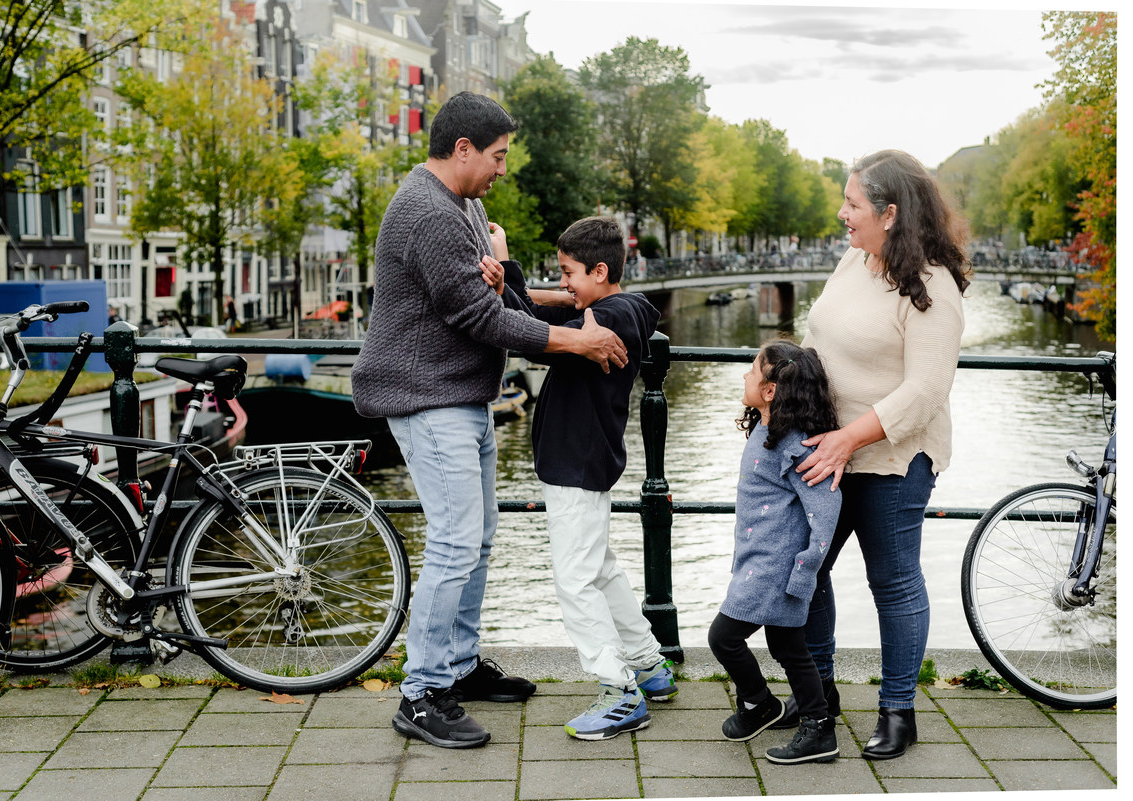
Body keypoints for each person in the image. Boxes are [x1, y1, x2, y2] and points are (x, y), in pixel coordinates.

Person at [350, 92, 629, 750]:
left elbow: (494, 292)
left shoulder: (467, 206)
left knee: (476, 540)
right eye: (498, 155)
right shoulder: (429, 212)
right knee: (452, 542)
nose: (504, 168)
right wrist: (577, 341)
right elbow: (479, 318)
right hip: (428, 396)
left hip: (462, 393)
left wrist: (573, 296)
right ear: (464, 149)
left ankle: (459, 665)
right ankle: (421, 694)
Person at [784, 149, 971, 760]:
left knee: (892, 581)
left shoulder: (933, 288)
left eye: (853, 203)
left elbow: (924, 392)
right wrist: (779, 395)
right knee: (803, 571)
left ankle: (898, 709)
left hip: (894, 455)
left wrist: (851, 437)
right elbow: (818, 338)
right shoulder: (854, 261)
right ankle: (820, 698)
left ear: (889, 214)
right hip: (829, 448)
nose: (842, 213)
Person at [481, 216, 677, 741]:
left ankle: (618, 693)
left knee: (574, 578)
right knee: (602, 568)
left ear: (599, 269)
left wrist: (506, 267)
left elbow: (530, 340)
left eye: (569, 273)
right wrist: (520, 284)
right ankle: (648, 664)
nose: (564, 282)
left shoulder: (601, 322)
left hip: (575, 463)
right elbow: (543, 317)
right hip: (587, 460)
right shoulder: (618, 309)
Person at [707, 340, 842, 764]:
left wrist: (805, 571)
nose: (745, 376)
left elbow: (826, 509)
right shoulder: (768, 432)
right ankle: (813, 724)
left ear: (769, 390)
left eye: (752, 371)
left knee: (723, 638)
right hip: (757, 560)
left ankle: (762, 704)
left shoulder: (797, 445)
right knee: (788, 647)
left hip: (776, 568)